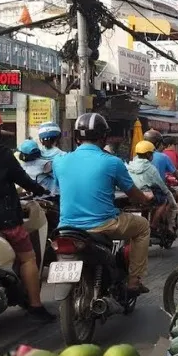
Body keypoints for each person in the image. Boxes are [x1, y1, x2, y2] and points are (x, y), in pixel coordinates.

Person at [53, 113, 154, 294]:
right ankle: (133, 281)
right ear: (103, 137)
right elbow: (132, 193)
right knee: (143, 227)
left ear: (76, 137)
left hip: (66, 227)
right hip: (102, 225)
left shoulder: (59, 161)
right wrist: (145, 198)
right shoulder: (113, 162)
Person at [0, 108, 54, 321]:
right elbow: (24, 181)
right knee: (28, 258)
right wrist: (41, 191)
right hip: (3, 221)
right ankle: (36, 306)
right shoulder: (3, 155)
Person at [143, 130, 178, 218]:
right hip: (158, 188)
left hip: (141, 188)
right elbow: (176, 173)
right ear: (157, 144)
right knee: (174, 201)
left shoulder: (137, 157)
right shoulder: (162, 156)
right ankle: (156, 226)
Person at [127, 141, 171, 229]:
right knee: (164, 201)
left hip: (132, 194)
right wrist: (167, 193)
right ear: (148, 154)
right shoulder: (151, 168)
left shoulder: (130, 165)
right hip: (146, 195)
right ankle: (153, 225)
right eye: (151, 154)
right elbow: (160, 183)